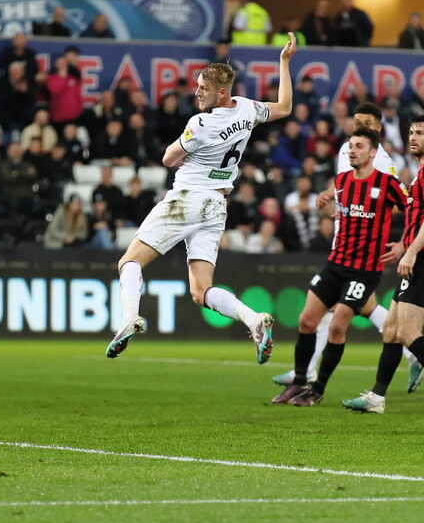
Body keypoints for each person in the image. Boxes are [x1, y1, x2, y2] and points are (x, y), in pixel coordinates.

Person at [106, 34, 299, 363]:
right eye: (197, 87)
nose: (197, 93)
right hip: (216, 205)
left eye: (203, 89)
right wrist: (284, 62)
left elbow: (168, 158)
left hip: (188, 198)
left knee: (129, 261)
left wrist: (184, 147)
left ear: (221, 93)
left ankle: (129, 317)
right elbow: (284, 107)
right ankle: (253, 319)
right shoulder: (247, 109)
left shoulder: (201, 123)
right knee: (200, 291)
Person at [271, 103, 423, 391]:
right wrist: (331, 196)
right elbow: (344, 183)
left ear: (378, 129)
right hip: (342, 240)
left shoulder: (382, 161)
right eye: (356, 122)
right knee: (360, 308)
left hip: (363, 246)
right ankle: (411, 352)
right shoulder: (347, 149)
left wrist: (375, 223)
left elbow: (394, 202)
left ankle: (308, 373)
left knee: (336, 314)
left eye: (365, 123)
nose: (358, 127)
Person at [342, 114, 424, 416]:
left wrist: (410, 252)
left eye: (420, 132)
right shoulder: (423, 172)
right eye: (411, 132)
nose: (413, 137)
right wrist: (404, 246)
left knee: (409, 332)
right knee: (390, 329)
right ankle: (376, 397)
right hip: (418, 253)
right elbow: (421, 217)